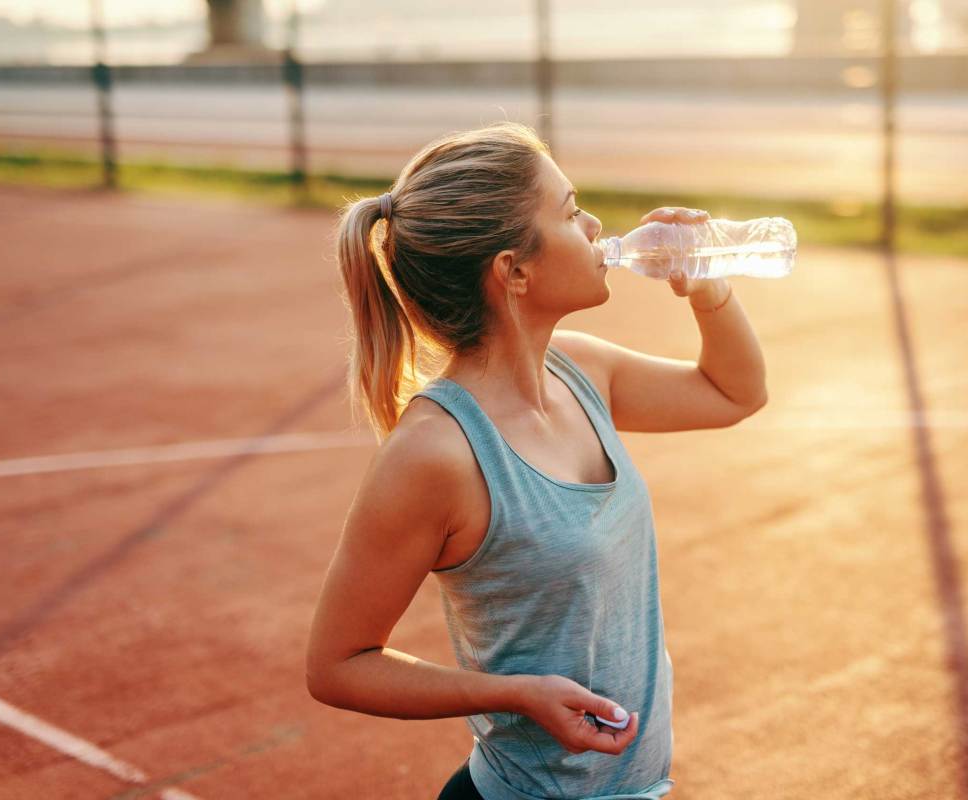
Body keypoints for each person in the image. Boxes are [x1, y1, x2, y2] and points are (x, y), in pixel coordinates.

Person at [305, 121, 768, 799]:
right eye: (571, 210)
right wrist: (517, 695)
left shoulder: (582, 370)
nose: (595, 226)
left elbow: (734, 393)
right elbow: (338, 665)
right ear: (513, 270)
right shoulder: (437, 453)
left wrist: (705, 283)